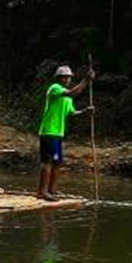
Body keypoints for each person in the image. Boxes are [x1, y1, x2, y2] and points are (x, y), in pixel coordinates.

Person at [37, 65, 95, 201]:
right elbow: (72, 93)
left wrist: (85, 111)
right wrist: (86, 80)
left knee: (57, 162)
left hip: (58, 134)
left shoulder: (68, 97)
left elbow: (72, 113)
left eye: (68, 77)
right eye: (63, 77)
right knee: (47, 161)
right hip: (48, 132)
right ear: (58, 79)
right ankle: (42, 192)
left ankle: (52, 190)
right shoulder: (55, 89)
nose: (65, 79)